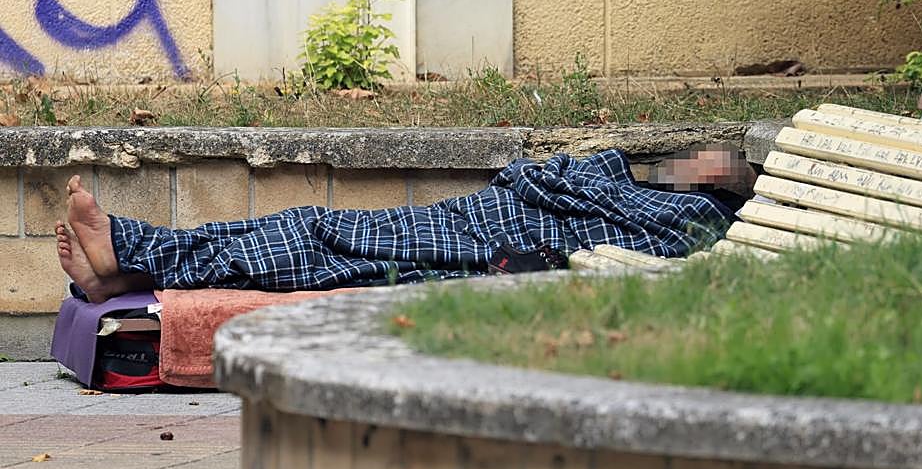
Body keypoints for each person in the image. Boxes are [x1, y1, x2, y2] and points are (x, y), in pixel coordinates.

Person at [56, 146, 756, 304]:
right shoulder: (637, 182)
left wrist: (591, 172)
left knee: (320, 241)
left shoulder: (698, 217)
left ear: (719, 182)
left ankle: (129, 255)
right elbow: (541, 178)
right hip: (484, 222)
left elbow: (577, 210)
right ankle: (123, 260)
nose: (693, 157)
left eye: (710, 159)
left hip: (500, 249)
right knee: (318, 235)